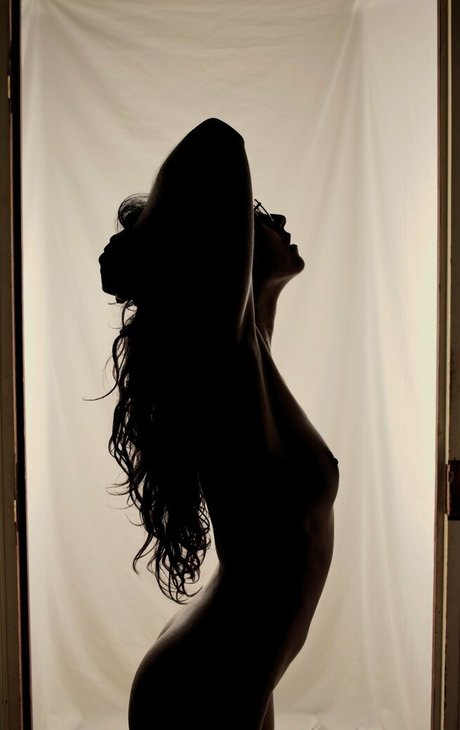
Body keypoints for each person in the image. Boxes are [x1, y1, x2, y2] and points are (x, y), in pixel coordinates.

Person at [99, 118, 339, 730]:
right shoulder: (225, 356)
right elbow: (218, 143)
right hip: (204, 677)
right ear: (226, 243)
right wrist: (150, 241)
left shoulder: (253, 349)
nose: (275, 219)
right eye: (256, 215)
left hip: (242, 669)